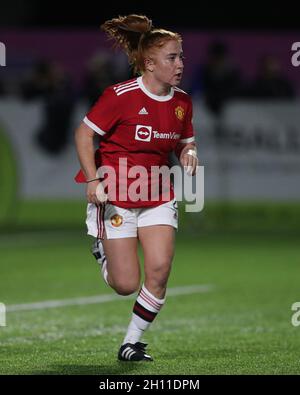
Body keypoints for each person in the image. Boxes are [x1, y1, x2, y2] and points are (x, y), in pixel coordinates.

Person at [74, 14, 198, 362]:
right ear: (149, 62)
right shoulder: (119, 95)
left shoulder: (182, 102)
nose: (180, 64)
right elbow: (84, 134)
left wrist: (189, 151)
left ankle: (131, 343)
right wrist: (94, 179)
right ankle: (102, 249)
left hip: (157, 193)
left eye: (181, 56)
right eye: (172, 57)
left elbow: (184, 141)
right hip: (117, 197)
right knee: (125, 284)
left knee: (159, 269)